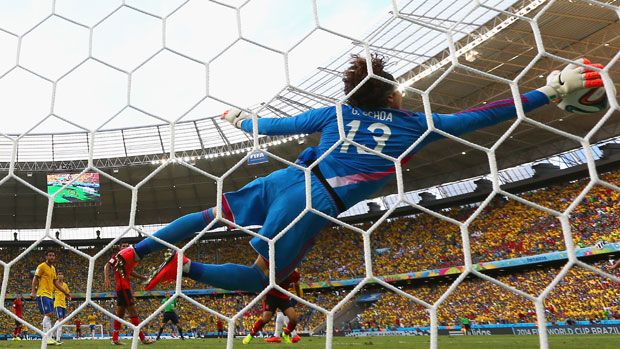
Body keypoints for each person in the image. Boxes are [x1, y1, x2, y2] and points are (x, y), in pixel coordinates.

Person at [113, 54, 604, 296]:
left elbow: (267, 126)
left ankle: (138, 250)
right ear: (391, 95)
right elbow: (483, 116)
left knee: (209, 213)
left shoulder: (335, 116)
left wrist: (236, 119)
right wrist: (548, 91)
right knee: (267, 282)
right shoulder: (415, 126)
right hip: (314, 201)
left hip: (285, 180)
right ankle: (189, 269)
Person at [104, 242, 155, 345]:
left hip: (122, 289)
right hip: (123, 288)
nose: (125, 247)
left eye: (127, 246)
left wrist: (143, 277)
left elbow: (130, 272)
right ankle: (143, 338)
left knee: (120, 314)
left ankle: (114, 339)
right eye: (123, 246)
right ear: (119, 247)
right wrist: (107, 278)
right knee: (133, 312)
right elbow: (107, 265)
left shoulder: (127, 259)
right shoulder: (117, 257)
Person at [243, 270, 303, 344]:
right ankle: (251, 335)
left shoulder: (294, 273)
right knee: (266, 319)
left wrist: (299, 299)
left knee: (294, 319)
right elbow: (263, 280)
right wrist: (263, 293)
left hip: (283, 297)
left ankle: (286, 333)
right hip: (270, 296)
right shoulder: (275, 268)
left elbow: (296, 284)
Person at [31, 250, 71, 346]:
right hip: (42, 293)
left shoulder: (53, 269)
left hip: (49, 295)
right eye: (50, 255)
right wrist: (33, 291)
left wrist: (66, 292)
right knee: (48, 314)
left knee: (50, 314)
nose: (52, 257)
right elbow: (35, 278)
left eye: (53, 255)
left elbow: (55, 283)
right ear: (46, 257)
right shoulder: (41, 266)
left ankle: (47, 336)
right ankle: (47, 337)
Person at [53, 272, 71, 343]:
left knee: (60, 321)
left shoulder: (65, 285)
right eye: (59, 274)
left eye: (61, 274)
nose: (60, 275)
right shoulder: (55, 284)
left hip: (63, 304)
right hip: (58, 304)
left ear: (63, 276)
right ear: (57, 276)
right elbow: (51, 290)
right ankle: (58, 339)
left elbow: (67, 293)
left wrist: (69, 297)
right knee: (61, 321)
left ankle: (51, 333)